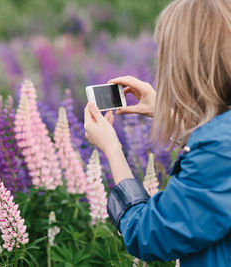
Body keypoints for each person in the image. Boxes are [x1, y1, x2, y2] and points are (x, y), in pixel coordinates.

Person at [83, 0, 231, 266]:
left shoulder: (219, 152)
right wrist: (167, 114)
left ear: (187, 66)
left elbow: (150, 235)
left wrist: (113, 151)